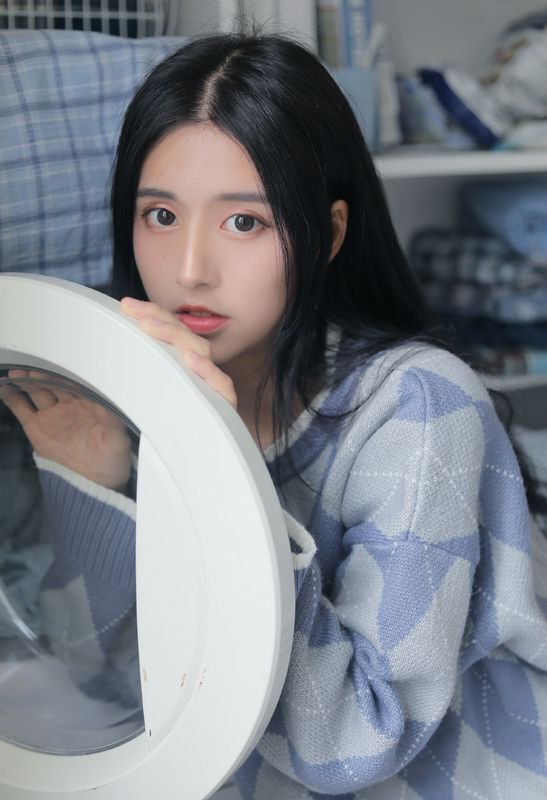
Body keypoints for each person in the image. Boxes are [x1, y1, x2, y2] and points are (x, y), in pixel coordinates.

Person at [3, 31, 547, 799]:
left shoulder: (418, 405)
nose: (189, 269)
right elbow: (110, 685)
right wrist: (98, 484)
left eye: (243, 223)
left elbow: (347, 743)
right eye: (160, 215)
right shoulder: (116, 389)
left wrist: (212, 462)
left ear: (327, 233)